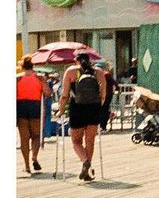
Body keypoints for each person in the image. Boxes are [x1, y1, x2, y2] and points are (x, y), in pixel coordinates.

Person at [58, 52, 107, 181]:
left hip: (77, 108)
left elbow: (65, 95)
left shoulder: (71, 71)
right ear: (89, 60)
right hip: (94, 109)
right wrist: (98, 105)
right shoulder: (98, 72)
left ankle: (85, 162)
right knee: (90, 141)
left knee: (76, 141)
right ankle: (87, 171)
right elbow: (103, 95)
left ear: (77, 61)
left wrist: (61, 110)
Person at [16, 55, 50, 175]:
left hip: (21, 107)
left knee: (24, 139)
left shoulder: (17, 78)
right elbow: (47, 93)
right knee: (36, 135)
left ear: (22, 66)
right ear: (32, 66)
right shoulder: (39, 77)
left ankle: (27, 166)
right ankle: (34, 157)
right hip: (35, 106)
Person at [97, 61, 118, 132]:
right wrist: (118, 89)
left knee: (103, 110)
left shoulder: (104, 74)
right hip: (107, 95)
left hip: (104, 95)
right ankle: (103, 126)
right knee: (104, 110)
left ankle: (102, 126)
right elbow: (114, 83)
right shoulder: (106, 74)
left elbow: (114, 82)